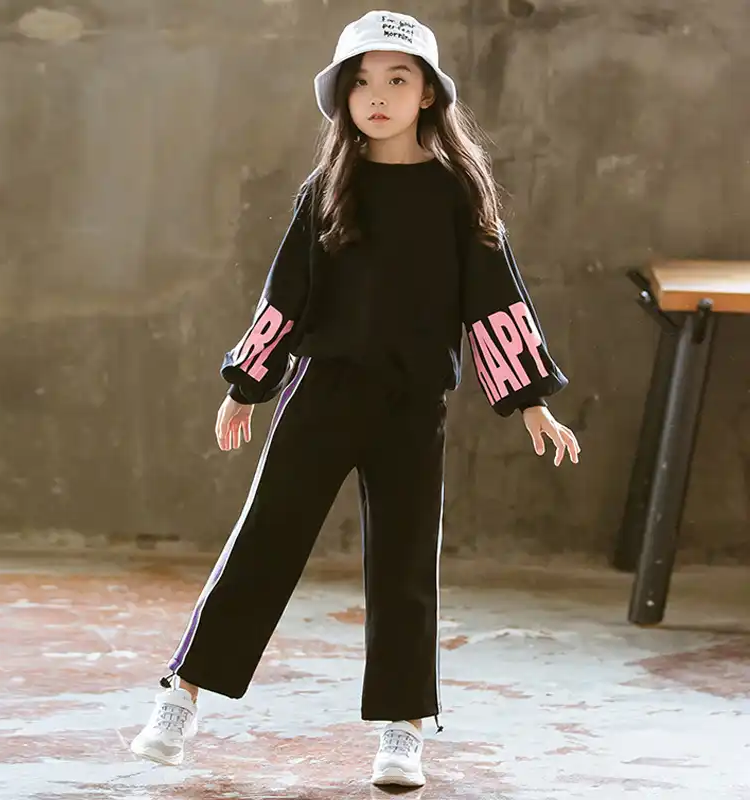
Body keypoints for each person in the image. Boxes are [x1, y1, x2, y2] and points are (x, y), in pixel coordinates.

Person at [129, 9, 580, 789]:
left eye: (397, 79)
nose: (377, 94)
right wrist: (247, 386)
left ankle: (404, 729)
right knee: (263, 543)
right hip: (323, 395)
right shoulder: (328, 190)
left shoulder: (458, 194)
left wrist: (533, 399)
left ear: (428, 94)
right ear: (342, 96)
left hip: (413, 404)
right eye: (361, 81)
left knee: (405, 566)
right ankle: (181, 696)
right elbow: (288, 295)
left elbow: (495, 300)